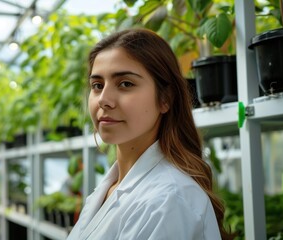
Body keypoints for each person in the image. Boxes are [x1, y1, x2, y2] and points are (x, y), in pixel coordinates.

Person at [67, 28, 233, 239]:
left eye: (125, 84)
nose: (103, 99)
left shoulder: (168, 201)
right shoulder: (109, 188)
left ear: (165, 99)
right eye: (97, 85)